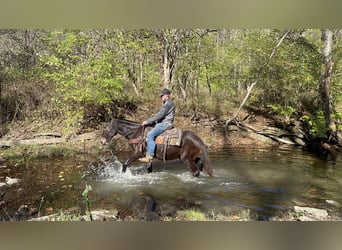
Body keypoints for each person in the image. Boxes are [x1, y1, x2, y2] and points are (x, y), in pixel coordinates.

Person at [139, 88, 175, 163]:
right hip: (164, 122)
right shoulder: (167, 103)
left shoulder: (168, 104)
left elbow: (160, 115)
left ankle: (150, 156)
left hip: (165, 123)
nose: (161, 97)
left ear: (166, 95)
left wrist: (148, 121)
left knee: (150, 135)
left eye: (162, 95)